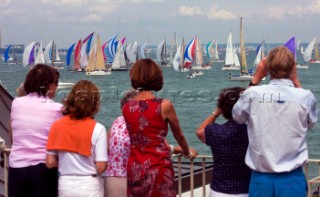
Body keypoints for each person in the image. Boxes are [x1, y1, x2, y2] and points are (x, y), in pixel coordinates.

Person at [232, 46, 318, 196]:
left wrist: (256, 79)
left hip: (261, 177)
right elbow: (311, 123)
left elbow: (237, 116)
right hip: (292, 177)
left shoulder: (253, 94)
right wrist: (296, 80)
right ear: (292, 69)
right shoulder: (305, 96)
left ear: (268, 69)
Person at [122, 58, 196, 197]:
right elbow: (179, 135)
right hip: (158, 165)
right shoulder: (164, 105)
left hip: (135, 167)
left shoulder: (127, 107)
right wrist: (187, 152)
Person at [105, 89, 197, 197]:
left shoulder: (116, 123)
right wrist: (182, 150)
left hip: (112, 177)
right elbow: (160, 147)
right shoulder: (139, 124)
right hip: (134, 176)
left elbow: (107, 148)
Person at [46, 80, 108, 197]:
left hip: (65, 185)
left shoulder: (57, 126)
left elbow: (50, 162)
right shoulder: (98, 129)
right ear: (94, 103)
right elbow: (100, 167)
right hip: (90, 186)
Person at [9, 63, 62, 197]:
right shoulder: (56, 109)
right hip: (43, 168)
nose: (57, 86)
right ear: (48, 84)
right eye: (56, 82)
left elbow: (12, 136)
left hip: (17, 167)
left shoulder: (16, 103)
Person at [196, 86, 251, 197]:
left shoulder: (215, 131)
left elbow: (200, 132)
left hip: (219, 191)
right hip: (246, 189)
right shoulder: (252, 133)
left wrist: (216, 112)